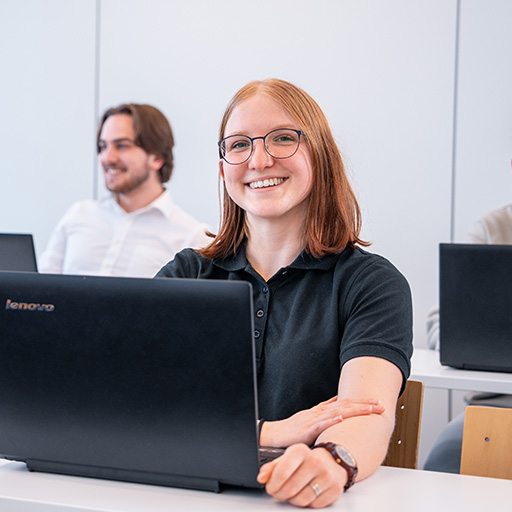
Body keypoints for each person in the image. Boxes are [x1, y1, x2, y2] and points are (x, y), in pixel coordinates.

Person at [156, 78, 413, 508]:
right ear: (223, 168)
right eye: (239, 145)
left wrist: (333, 462)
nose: (259, 159)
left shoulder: (371, 284)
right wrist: (266, 433)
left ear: (321, 158)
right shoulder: (187, 273)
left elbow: (363, 414)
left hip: (299, 500)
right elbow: (135, 406)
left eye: (283, 139)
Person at [39, 103, 210, 278]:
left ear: (157, 158)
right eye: (103, 146)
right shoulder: (79, 214)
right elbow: (40, 289)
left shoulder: (193, 237)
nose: (107, 158)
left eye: (121, 146)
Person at [424, 204, 512, 473]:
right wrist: (469, 345)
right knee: (444, 461)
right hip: (496, 406)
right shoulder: (492, 228)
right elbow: (443, 320)